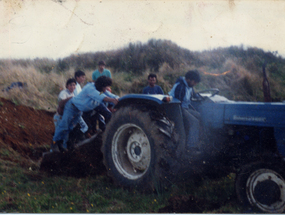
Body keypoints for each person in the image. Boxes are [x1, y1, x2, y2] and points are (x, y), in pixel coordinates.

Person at [51, 76, 119, 152]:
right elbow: (101, 96)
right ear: (101, 85)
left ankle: (66, 144)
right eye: (106, 87)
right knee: (64, 125)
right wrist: (113, 100)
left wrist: (119, 99)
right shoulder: (90, 88)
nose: (106, 89)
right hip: (72, 107)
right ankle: (55, 144)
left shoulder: (100, 90)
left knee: (72, 127)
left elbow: (109, 94)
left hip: (79, 110)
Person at [168, 70, 201, 155]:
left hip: (185, 107)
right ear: (188, 79)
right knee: (194, 122)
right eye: (194, 82)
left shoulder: (189, 86)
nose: (195, 84)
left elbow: (194, 95)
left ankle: (197, 141)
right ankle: (191, 147)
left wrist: (200, 97)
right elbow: (179, 103)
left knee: (200, 116)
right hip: (177, 108)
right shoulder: (180, 86)